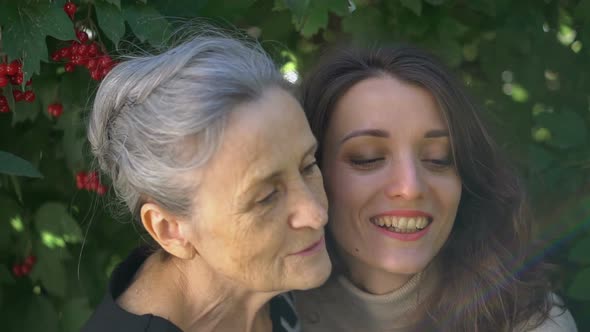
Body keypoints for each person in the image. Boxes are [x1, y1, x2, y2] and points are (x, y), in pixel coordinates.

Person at [295, 44, 577, 331]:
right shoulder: (268, 310)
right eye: (368, 157)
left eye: (438, 159)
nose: (410, 186)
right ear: (312, 172)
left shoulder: (529, 321)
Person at [81, 31, 332, 332]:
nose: (316, 214)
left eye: (308, 166)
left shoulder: (274, 278)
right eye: (266, 197)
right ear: (170, 229)